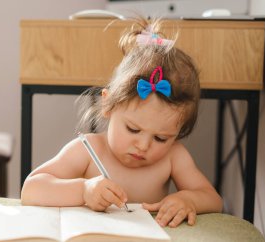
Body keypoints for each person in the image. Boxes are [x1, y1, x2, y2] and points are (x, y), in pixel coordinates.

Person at [21, 18, 223, 228]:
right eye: (133, 129)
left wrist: (188, 200)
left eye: (161, 138)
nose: (143, 145)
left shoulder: (174, 156)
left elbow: (213, 198)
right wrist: (83, 190)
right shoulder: (88, 150)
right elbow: (31, 189)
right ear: (108, 104)